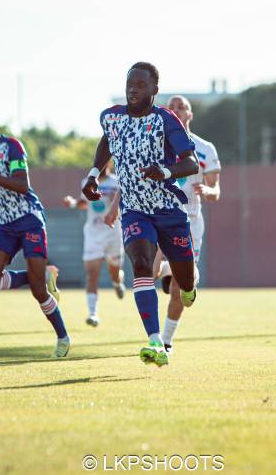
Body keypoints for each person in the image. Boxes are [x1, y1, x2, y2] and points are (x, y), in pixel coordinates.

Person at [83, 62, 199, 367]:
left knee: (184, 281)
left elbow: (190, 164)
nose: (133, 89)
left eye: (140, 85)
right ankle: (155, 340)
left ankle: (189, 288)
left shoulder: (166, 120)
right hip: (135, 210)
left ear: (154, 90)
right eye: (129, 84)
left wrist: (164, 171)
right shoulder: (112, 117)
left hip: (170, 210)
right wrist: (94, 173)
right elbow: (108, 139)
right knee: (142, 263)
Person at [0, 109, 70, 358]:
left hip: (29, 218)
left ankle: (63, 338)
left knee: (39, 291)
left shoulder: (12, 146)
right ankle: (39, 275)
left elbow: (22, 185)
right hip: (5, 226)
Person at [152, 95, 221, 353]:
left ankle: (167, 340)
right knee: (149, 272)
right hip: (160, 216)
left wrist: (207, 189)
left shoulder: (205, 149)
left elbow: (216, 191)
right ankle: (155, 338)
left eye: (182, 107)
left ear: (190, 115)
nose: (176, 110)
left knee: (183, 289)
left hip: (190, 221)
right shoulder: (155, 146)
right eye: (171, 106)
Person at [62, 163, 126, 327]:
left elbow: (127, 203)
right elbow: (85, 203)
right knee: (92, 274)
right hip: (93, 233)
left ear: (110, 164)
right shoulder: (87, 182)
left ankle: (117, 282)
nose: (101, 167)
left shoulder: (117, 181)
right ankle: (93, 314)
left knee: (114, 272)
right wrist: (73, 203)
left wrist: (116, 201)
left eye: (104, 163)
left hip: (113, 232)